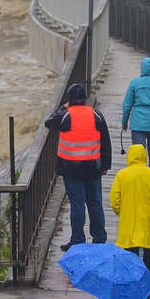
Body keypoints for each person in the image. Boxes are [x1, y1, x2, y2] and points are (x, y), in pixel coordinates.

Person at [50, 82, 113, 250]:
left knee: (77, 204)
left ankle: (77, 239)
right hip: (93, 167)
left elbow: (49, 123)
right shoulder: (95, 114)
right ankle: (99, 238)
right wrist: (105, 165)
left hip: (71, 168)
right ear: (85, 98)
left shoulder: (66, 116)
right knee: (94, 202)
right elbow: (105, 141)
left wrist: (64, 107)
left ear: (70, 99)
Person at [109, 142, 150, 278]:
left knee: (129, 263)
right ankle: (148, 292)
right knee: (149, 261)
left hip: (128, 227)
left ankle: (131, 292)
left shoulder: (121, 175)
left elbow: (114, 201)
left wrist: (122, 213)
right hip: (149, 225)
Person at [121, 56, 150, 171]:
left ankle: (138, 175)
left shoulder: (134, 83)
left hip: (138, 122)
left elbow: (127, 105)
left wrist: (124, 121)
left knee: (138, 152)